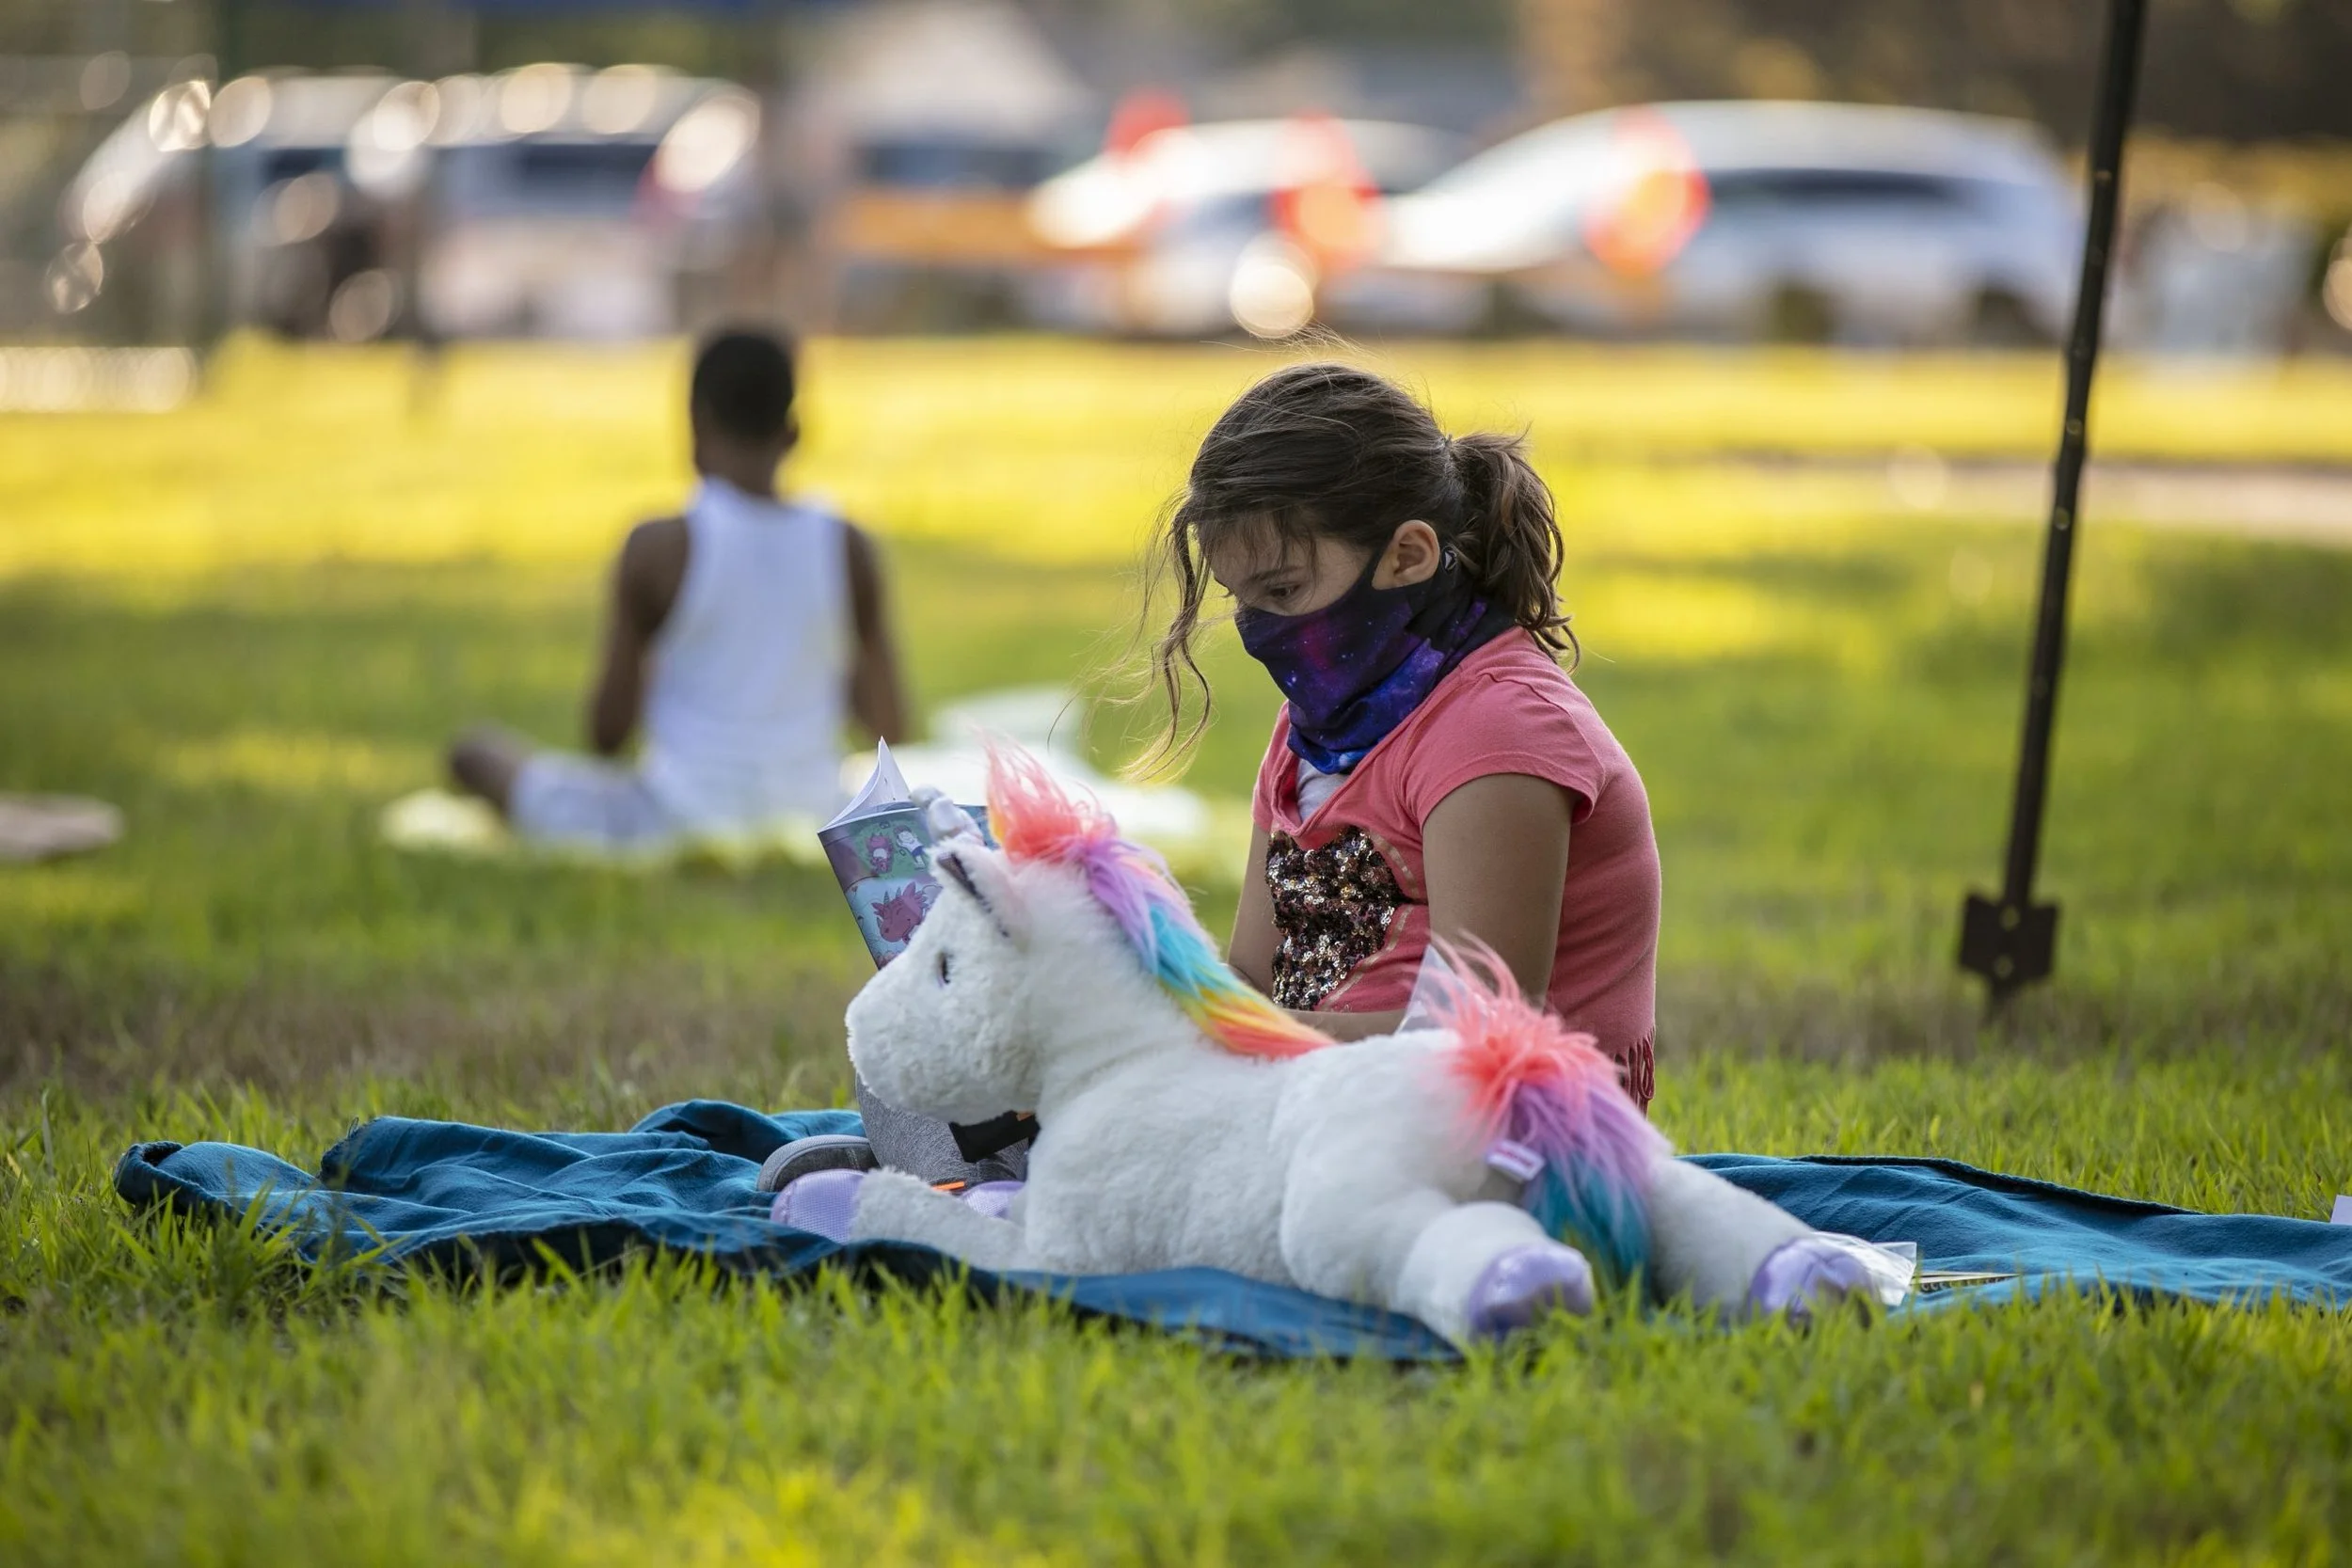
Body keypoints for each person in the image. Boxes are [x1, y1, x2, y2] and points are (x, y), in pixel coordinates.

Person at [1151, 361, 1660, 1108]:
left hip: (1516, 1146)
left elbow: (1470, 1044)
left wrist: (1232, 1042)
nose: (1262, 630)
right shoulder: (1313, 728)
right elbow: (1252, 978)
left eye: (1285, 589)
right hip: (1327, 1113)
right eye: (1244, 599)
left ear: (1409, 555)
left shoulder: (1497, 731)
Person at [448, 328, 906, 853]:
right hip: (816, 809)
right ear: (794, 431)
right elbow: (889, 725)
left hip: (675, 816)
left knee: (476, 753)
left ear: (695, 423)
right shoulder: (848, 545)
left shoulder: (659, 546)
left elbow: (607, 735)